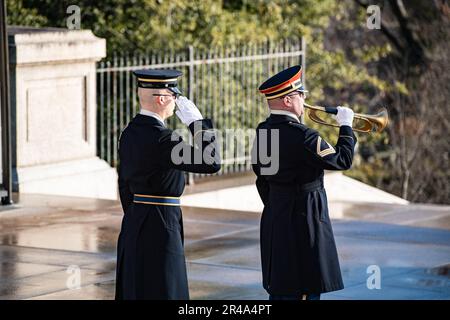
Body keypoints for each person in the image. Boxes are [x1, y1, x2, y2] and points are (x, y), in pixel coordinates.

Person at [251, 65, 356, 300]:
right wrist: (346, 127)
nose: (304, 99)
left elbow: (261, 176)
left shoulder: (264, 131)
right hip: (305, 218)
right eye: (301, 95)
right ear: (288, 100)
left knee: (281, 282)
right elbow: (342, 160)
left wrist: (279, 201)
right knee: (305, 287)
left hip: (276, 214)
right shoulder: (305, 136)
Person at [115, 69, 221, 300]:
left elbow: (123, 182)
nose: (176, 101)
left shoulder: (128, 132)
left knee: (137, 288)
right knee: (165, 289)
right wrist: (198, 124)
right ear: (162, 99)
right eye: (174, 96)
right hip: (161, 222)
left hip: (135, 218)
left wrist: (135, 215)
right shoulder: (164, 139)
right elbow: (211, 162)